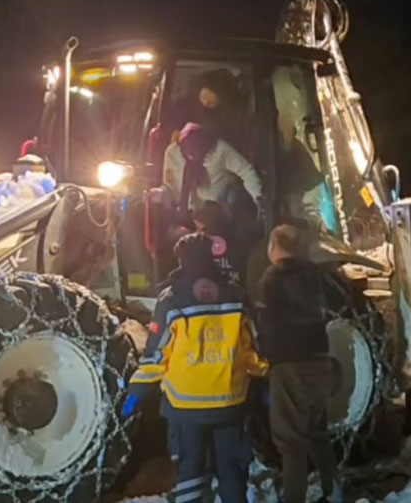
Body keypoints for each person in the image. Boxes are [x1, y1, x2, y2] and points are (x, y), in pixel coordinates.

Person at [124, 232, 269, 503]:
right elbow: (250, 347)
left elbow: (158, 354)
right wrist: (264, 375)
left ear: (182, 259)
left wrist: (137, 389)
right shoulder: (236, 294)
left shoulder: (171, 299)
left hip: (185, 406)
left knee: (189, 470)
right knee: (232, 469)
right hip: (230, 402)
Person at [258, 224, 342, 503]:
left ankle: (294, 498)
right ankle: (334, 489)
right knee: (317, 430)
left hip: (289, 365)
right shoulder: (314, 273)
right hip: (320, 360)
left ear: (273, 247)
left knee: (289, 438)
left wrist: (263, 357)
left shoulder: (273, 278)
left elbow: (268, 324)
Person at [163, 122, 262, 216]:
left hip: (215, 210)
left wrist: (258, 198)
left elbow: (246, 171)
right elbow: (169, 185)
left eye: (196, 153)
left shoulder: (220, 150)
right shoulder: (173, 154)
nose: (192, 157)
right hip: (185, 210)